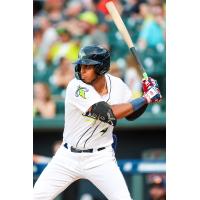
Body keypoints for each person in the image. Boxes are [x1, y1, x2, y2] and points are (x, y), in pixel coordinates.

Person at [33, 45, 161, 200]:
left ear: (101, 68)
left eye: (88, 66)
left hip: (100, 158)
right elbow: (108, 113)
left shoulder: (118, 85)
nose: (82, 70)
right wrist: (146, 98)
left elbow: (130, 115)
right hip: (67, 156)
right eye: (81, 65)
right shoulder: (76, 86)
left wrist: (145, 96)